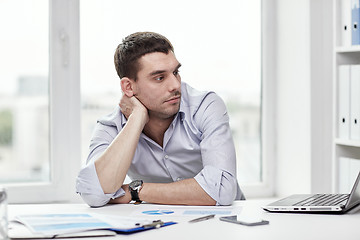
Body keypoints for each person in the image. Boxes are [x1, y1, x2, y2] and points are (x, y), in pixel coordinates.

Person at [76, 32, 245, 207]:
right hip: (161, 224)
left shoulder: (205, 105)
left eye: (175, 72)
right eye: (159, 77)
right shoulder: (112, 126)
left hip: (224, 222)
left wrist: (135, 191)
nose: (175, 85)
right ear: (128, 87)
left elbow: (222, 190)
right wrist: (137, 118)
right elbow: (94, 194)